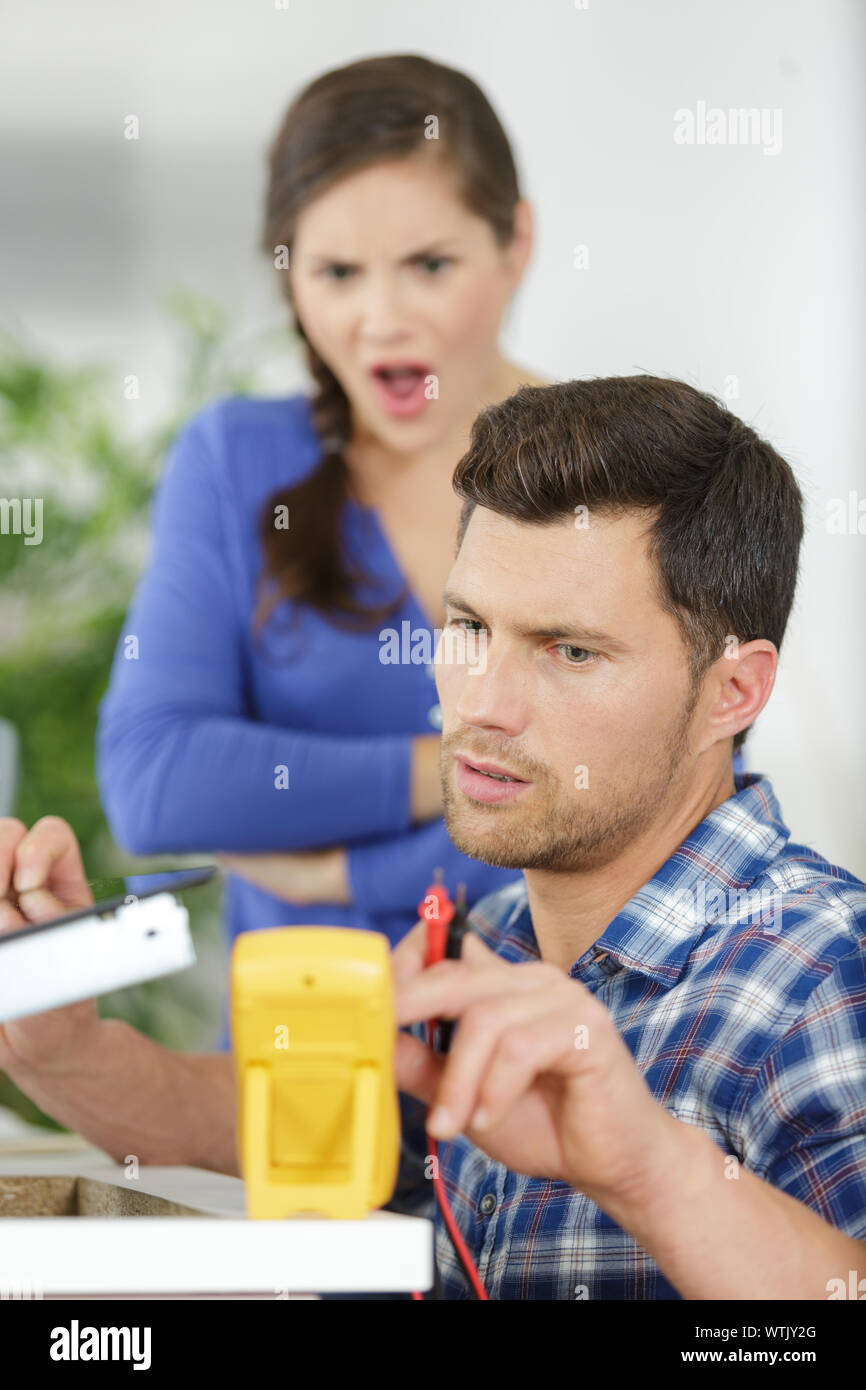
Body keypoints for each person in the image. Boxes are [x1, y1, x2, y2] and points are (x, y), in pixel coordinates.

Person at [1, 374, 863, 1300]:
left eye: (571, 651)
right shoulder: (487, 940)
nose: (481, 706)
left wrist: (652, 1169)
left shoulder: (821, 981)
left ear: (733, 692)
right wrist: (64, 1049)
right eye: (468, 626)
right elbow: (289, 1128)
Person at [95, 54, 546, 1046]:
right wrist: (480, 771)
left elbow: (667, 807)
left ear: (514, 240)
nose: (380, 320)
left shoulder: (617, 472)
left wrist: (344, 871)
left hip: (553, 1116)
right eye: (337, 273)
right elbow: (157, 781)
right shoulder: (236, 461)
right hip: (296, 1100)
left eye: (429, 265)